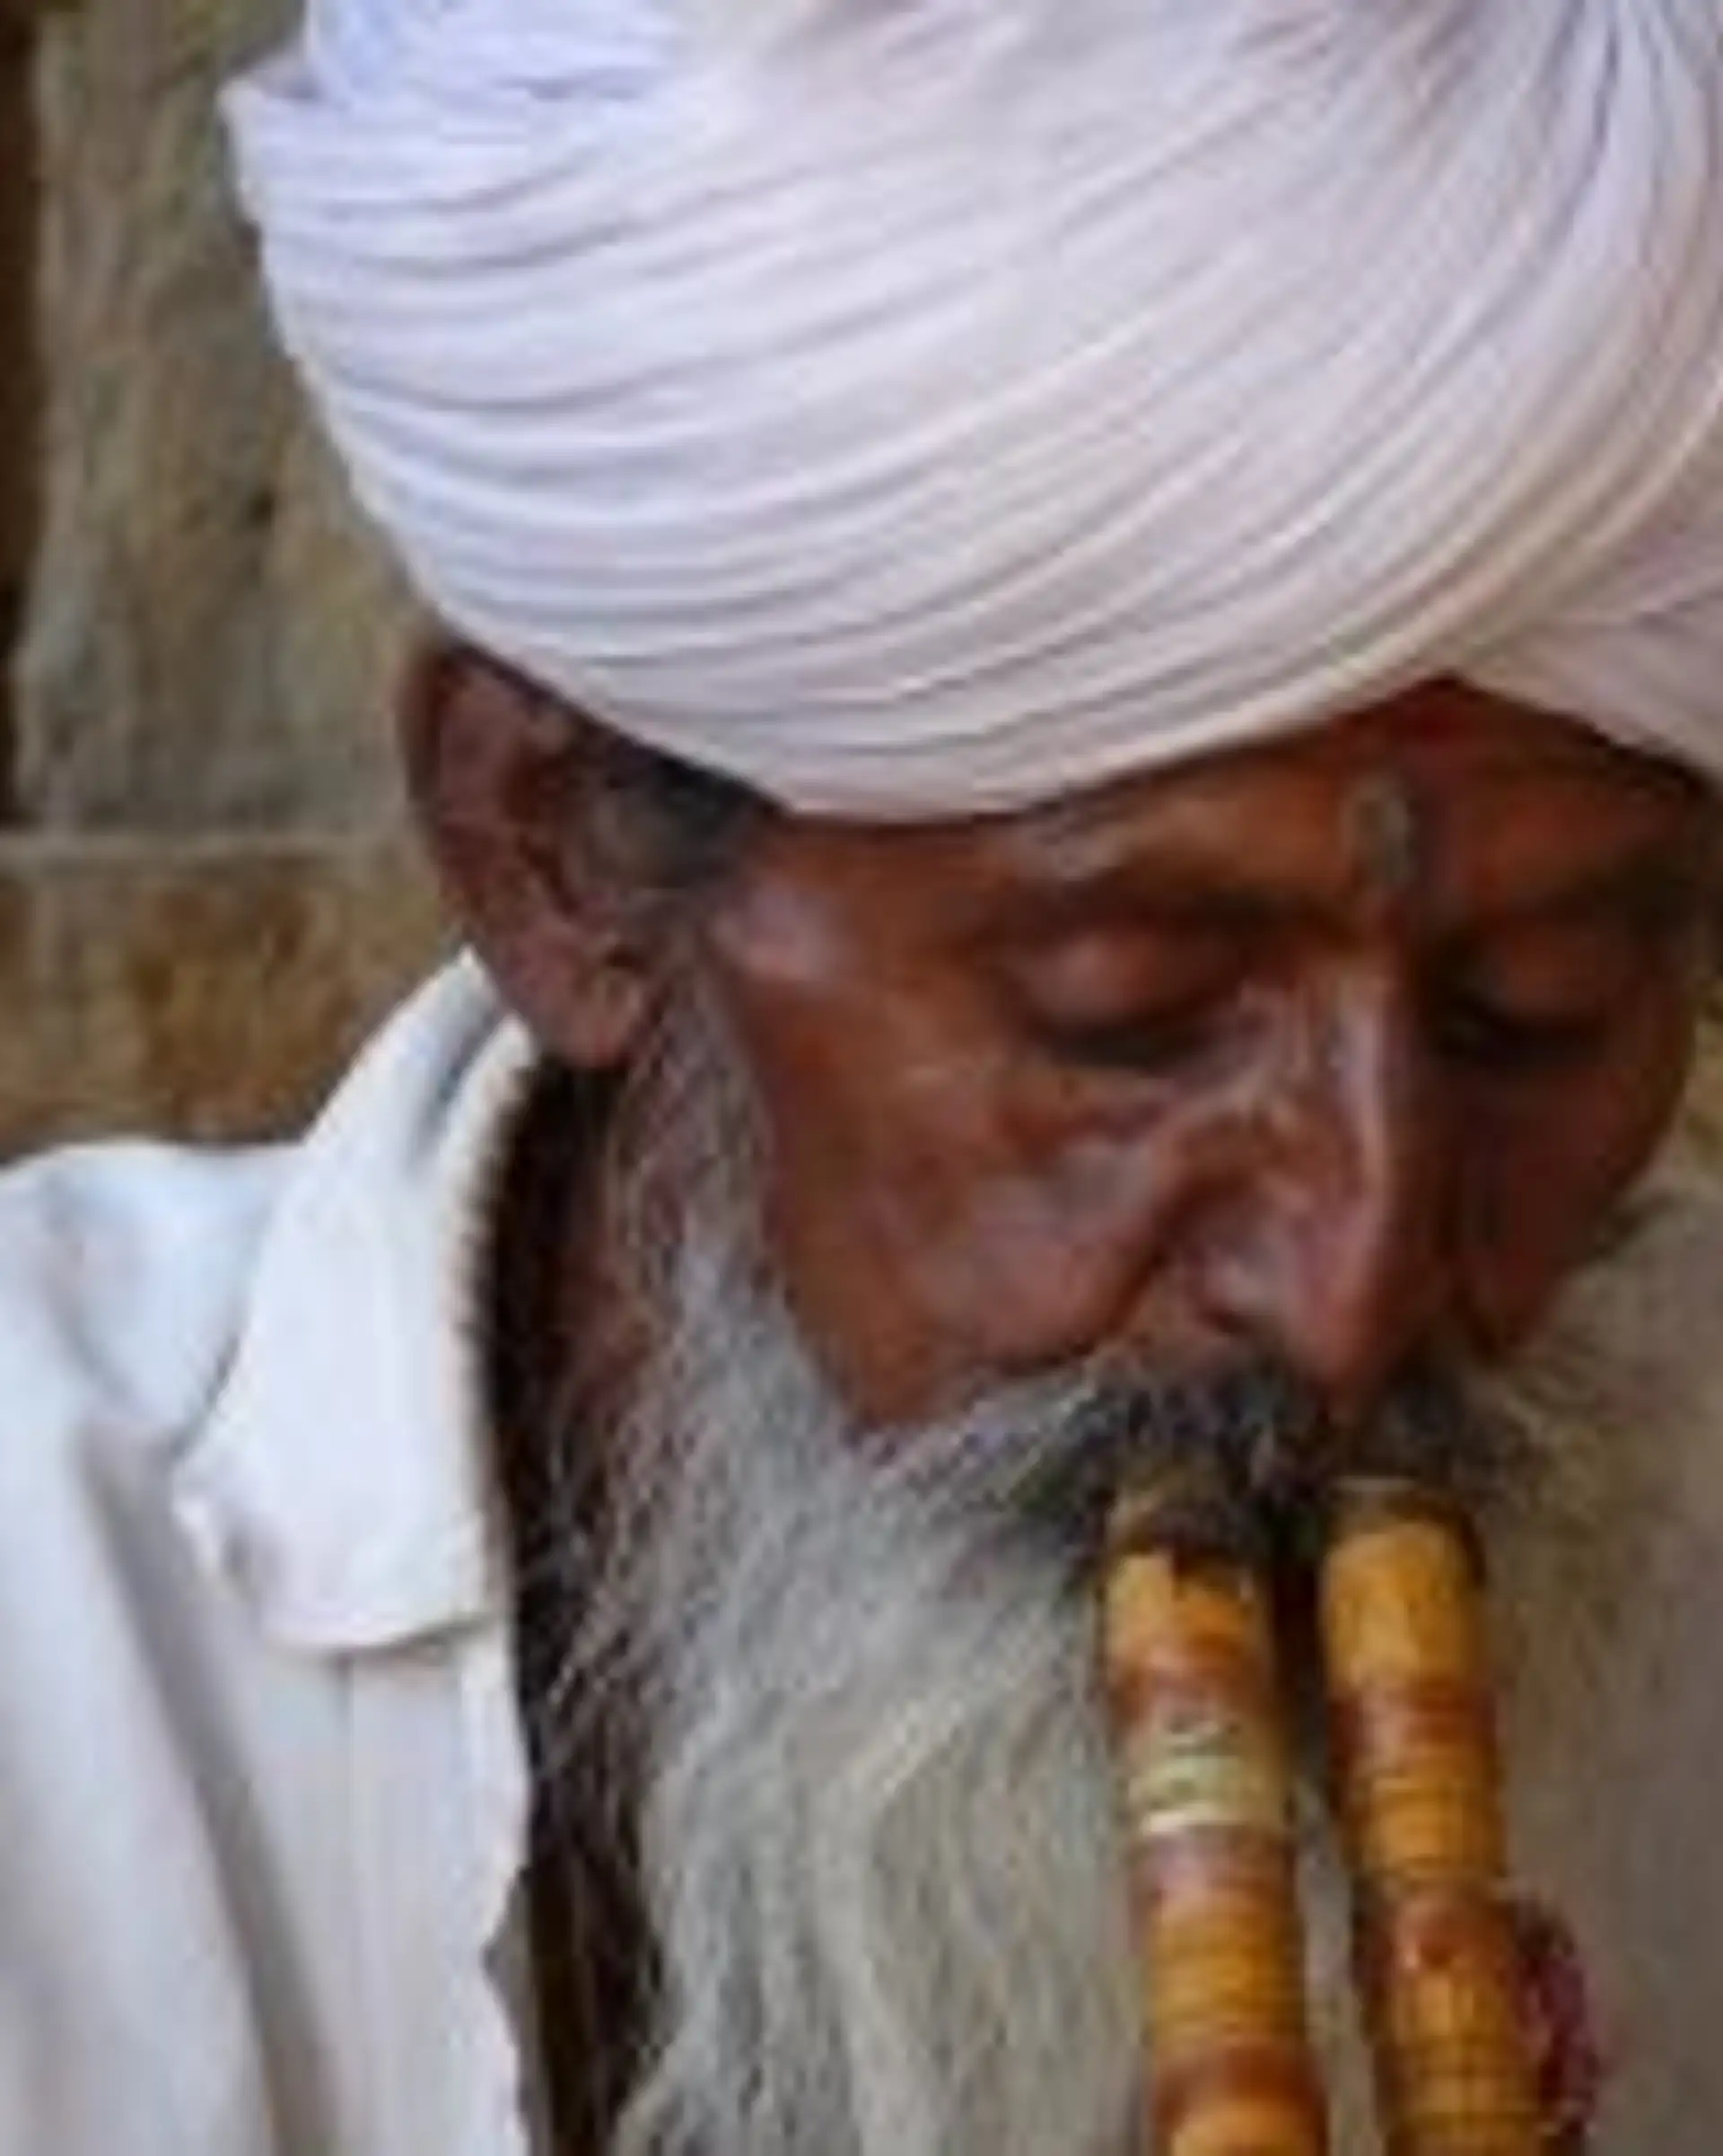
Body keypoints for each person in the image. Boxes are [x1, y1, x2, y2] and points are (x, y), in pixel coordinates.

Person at [4, 2, 1723, 2152]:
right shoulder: (47, 1647)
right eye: (1130, 1016)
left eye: (1538, 1009)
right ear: (562, 856)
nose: (1358, 1283)